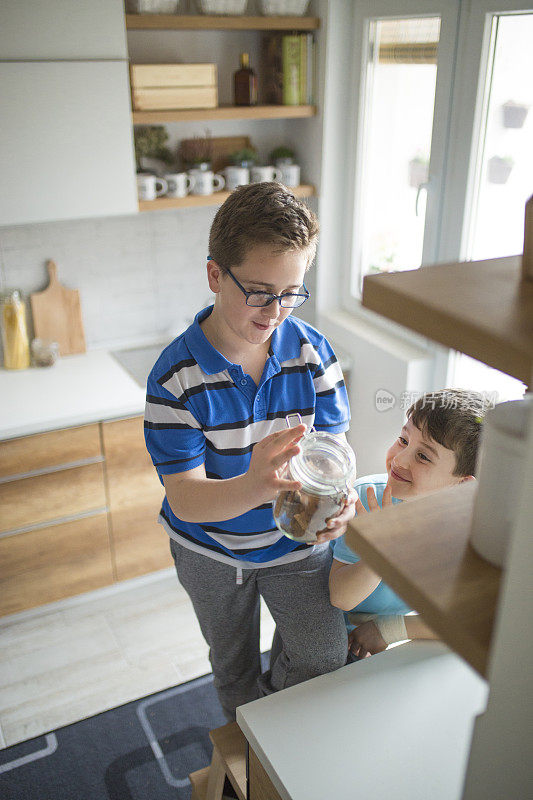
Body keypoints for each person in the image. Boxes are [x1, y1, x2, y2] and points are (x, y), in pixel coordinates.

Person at [144, 182, 355, 721]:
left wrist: (342, 505)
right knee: (233, 667)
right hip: (211, 553)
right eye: (260, 292)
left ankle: (279, 728)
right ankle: (249, 750)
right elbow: (187, 499)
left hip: (295, 545)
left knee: (322, 654)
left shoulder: (312, 352)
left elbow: (333, 452)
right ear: (215, 274)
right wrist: (254, 486)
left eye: (292, 292)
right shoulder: (174, 379)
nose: (276, 311)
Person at [329, 389, 491, 660]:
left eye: (423, 457)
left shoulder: (467, 530)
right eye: (403, 440)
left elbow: (475, 620)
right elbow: (340, 598)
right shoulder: (366, 501)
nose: (399, 460)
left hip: (375, 639)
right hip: (330, 628)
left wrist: (388, 630)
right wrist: (381, 552)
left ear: (462, 485)